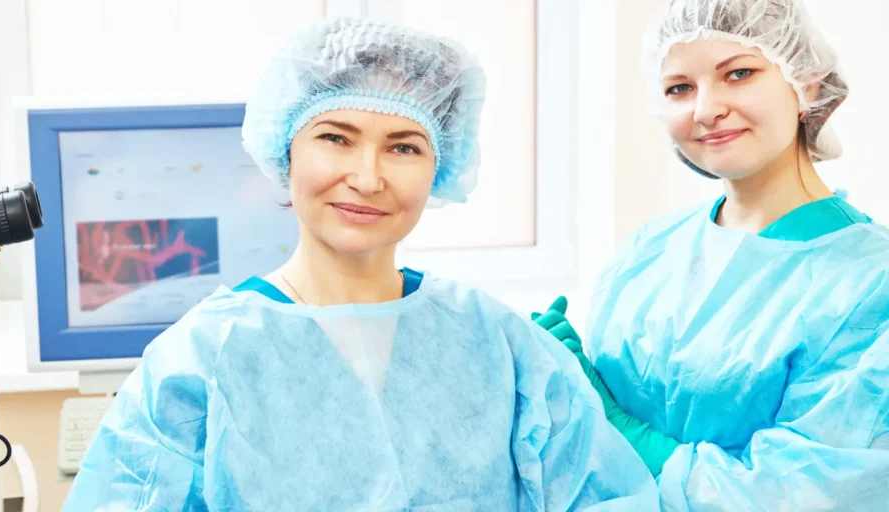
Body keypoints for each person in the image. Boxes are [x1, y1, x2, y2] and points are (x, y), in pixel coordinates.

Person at [62, 17, 659, 511]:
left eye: (404, 147)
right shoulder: (198, 362)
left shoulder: (501, 344)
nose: (368, 178)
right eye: (336, 137)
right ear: (284, 150)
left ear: (439, 167)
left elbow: (604, 498)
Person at [532, 0, 889, 510]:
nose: (705, 109)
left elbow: (803, 493)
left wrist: (613, 423)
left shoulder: (871, 284)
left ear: (807, 83)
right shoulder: (649, 250)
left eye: (738, 74)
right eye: (679, 88)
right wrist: (566, 375)